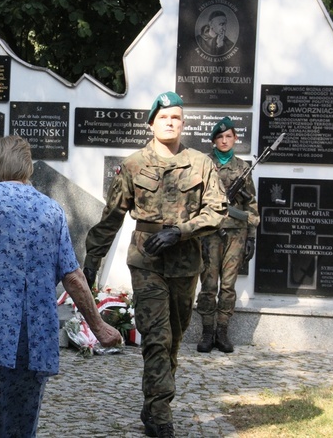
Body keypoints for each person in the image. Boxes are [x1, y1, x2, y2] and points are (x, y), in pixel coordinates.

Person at [0, 135, 122, 438]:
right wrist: (99, 327)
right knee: (21, 424)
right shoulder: (51, 210)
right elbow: (72, 276)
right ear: (27, 168)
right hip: (34, 339)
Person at [82, 91, 226, 438]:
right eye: (164, 117)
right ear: (151, 123)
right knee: (156, 337)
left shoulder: (201, 163)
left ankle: (152, 404)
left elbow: (217, 210)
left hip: (186, 261)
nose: (170, 122)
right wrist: (91, 262)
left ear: (183, 123)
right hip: (146, 261)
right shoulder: (133, 165)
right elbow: (112, 216)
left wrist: (182, 231)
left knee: (174, 339)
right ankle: (161, 414)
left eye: (176, 117)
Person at [196, 117, 259, 353]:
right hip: (210, 232)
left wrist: (251, 236)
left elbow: (251, 204)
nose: (224, 140)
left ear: (235, 139)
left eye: (228, 136)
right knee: (209, 283)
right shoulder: (203, 164)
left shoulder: (243, 168)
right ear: (213, 141)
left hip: (236, 234)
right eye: (220, 137)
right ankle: (206, 331)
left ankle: (222, 331)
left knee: (229, 285)